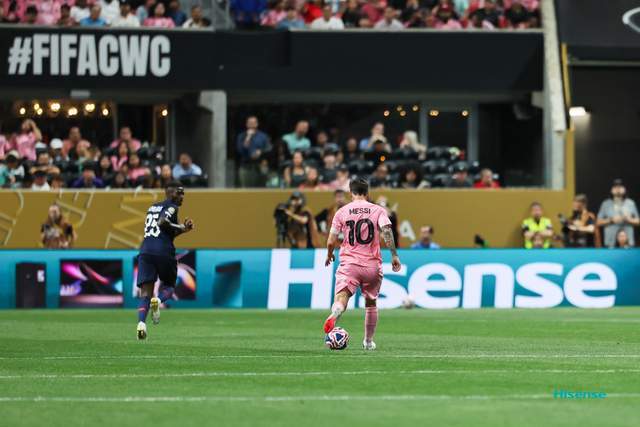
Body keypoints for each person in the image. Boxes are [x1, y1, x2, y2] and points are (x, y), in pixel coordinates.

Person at [323, 178, 401, 351]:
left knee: (342, 296)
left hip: (349, 264)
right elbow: (387, 231)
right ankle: (368, 341)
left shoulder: (342, 211)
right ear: (367, 193)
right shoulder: (378, 210)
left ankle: (337, 310)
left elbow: (331, 241)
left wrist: (329, 254)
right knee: (371, 303)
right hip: (372, 265)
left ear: (351, 193)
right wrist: (394, 255)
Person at [136, 182, 194, 340]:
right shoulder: (172, 207)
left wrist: (182, 229)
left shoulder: (152, 207)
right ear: (170, 193)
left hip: (145, 251)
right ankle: (158, 300)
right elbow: (162, 222)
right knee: (169, 286)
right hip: (163, 250)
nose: (182, 197)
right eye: (179, 193)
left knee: (145, 294)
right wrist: (181, 226)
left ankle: (141, 324)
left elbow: (166, 231)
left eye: (183, 193)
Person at [597, 179, 640, 248]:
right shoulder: (605, 204)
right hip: (610, 243)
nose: (618, 189)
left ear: (624, 189)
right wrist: (611, 220)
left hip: (628, 243)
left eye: (620, 187)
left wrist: (628, 219)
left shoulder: (631, 203)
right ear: (611, 190)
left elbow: (638, 221)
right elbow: (598, 222)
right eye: (615, 187)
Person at [237, 116, 271, 187]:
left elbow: (269, 149)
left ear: (257, 124)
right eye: (250, 123)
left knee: (262, 189)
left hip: (261, 165)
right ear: (247, 124)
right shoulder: (241, 136)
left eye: (254, 123)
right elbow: (240, 150)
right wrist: (248, 137)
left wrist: (260, 152)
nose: (252, 124)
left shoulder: (263, 136)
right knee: (246, 190)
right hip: (246, 166)